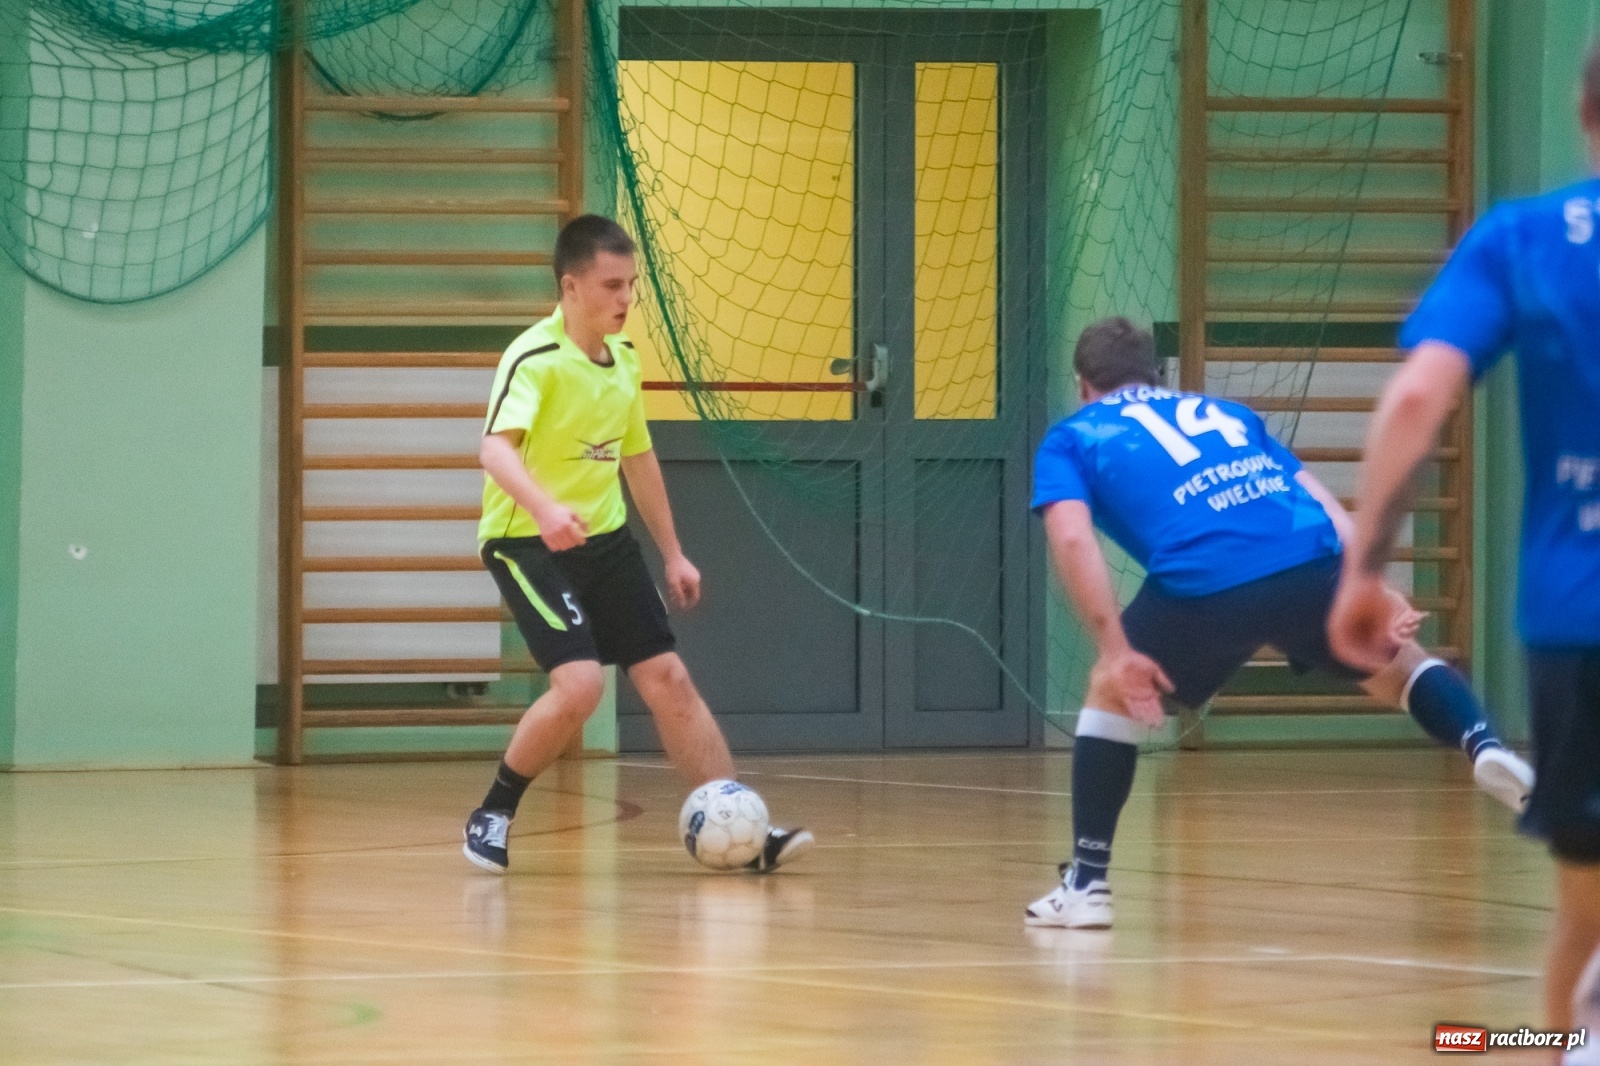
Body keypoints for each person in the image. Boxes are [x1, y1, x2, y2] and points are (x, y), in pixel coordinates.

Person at [1025, 316, 1533, 929]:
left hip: (1206, 578)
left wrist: (1115, 648)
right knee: (1398, 669)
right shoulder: (1229, 415)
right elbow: (1318, 498)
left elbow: (1074, 541)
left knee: (1109, 690)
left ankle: (1087, 883)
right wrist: (1369, 584)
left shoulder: (1074, 436)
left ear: (1083, 386)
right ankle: (1484, 743)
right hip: (1307, 556)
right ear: (1155, 374)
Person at [1329, 42, 1600, 1059]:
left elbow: (1414, 395)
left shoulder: (1524, 238)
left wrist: (1362, 569)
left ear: (1583, 111)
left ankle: (1576, 1035)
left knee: (1586, 899)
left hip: (1574, 620)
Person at [462, 214, 813, 875]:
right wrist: (543, 510)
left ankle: (740, 827)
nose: (625, 300)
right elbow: (492, 450)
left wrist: (674, 551)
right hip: (525, 541)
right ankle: (494, 811)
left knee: (669, 678)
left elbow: (638, 457)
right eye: (611, 285)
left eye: (631, 286)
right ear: (571, 287)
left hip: (605, 540)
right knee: (580, 687)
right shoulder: (533, 358)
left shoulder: (623, 360)